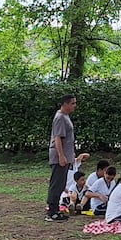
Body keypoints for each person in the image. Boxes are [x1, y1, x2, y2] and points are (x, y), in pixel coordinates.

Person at [45, 94, 78, 222]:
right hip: (59, 157)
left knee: (61, 184)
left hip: (66, 156)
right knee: (56, 183)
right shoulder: (60, 117)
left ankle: (56, 209)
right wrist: (61, 156)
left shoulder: (66, 117)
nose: (75, 106)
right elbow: (58, 138)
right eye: (73, 103)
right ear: (65, 104)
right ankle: (51, 211)